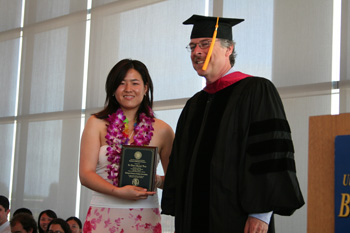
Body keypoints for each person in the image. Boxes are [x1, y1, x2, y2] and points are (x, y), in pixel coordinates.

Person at [161, 14, 305, 233]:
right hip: (191, 218)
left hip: (236, 217)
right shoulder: (194, 104)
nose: (196, 52)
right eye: (192, 47)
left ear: (229, 49)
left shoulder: (256, 90)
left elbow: (270, 155)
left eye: (205, 44)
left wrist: (260, 214)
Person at [79, 59, 175, 232]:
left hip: (144, 217)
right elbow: (85, 174)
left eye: (135, 83)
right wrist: (117, 191)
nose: (128, 89)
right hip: (103, 215)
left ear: (145, 88)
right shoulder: (96, 123)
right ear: (113, 89)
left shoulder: (163, 130)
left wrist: (157, 180)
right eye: (121, 83)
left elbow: (175, 179)